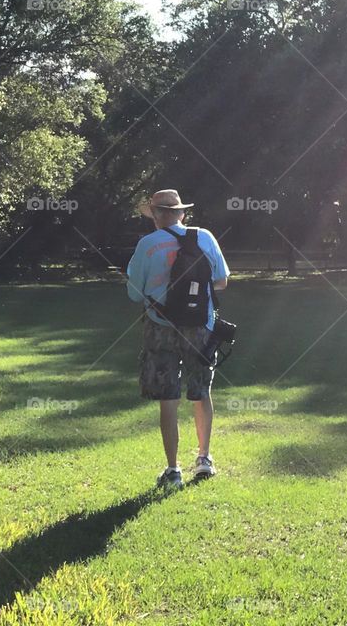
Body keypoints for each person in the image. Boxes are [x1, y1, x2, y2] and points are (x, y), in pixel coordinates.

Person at [126, 189, 230, 489]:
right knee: (201, 391)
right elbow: (222, 280)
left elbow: (134, 293)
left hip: (160, 327)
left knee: (168, 397)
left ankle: (173, 470)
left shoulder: (147, 244)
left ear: (156, 215)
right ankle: (204, 460)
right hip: (200, 326)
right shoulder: (204, 238)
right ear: (182, 213)